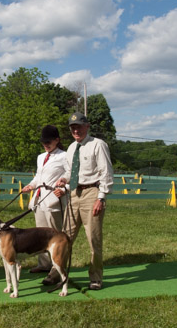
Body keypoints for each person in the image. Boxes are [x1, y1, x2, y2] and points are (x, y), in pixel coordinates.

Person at [46, 112, 113, 290]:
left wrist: (101, 197)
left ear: (87, 126)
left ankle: (96, 278)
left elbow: (106, 173)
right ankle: (56, 273)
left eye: (79, 126)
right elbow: (71, 172)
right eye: (73, 128)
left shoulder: (98, 145)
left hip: (92, 192)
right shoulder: (71, 148)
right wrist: (64, 179)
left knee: (94, 238)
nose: (76, 130)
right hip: (74, 194)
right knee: (64, 237)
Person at [22, 125, 67, 273]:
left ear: (57, 140)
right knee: (40, 235)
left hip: (54, 200)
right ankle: (43, 264)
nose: (46, 145)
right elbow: (38, 177)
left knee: (55, 235)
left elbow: (72, 177)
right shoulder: (41, 157)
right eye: (43, 142)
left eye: (49, 141)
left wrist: (64, 190)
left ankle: (57, 266)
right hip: (39, 200)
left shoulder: (64, 156)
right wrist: (30, 185)